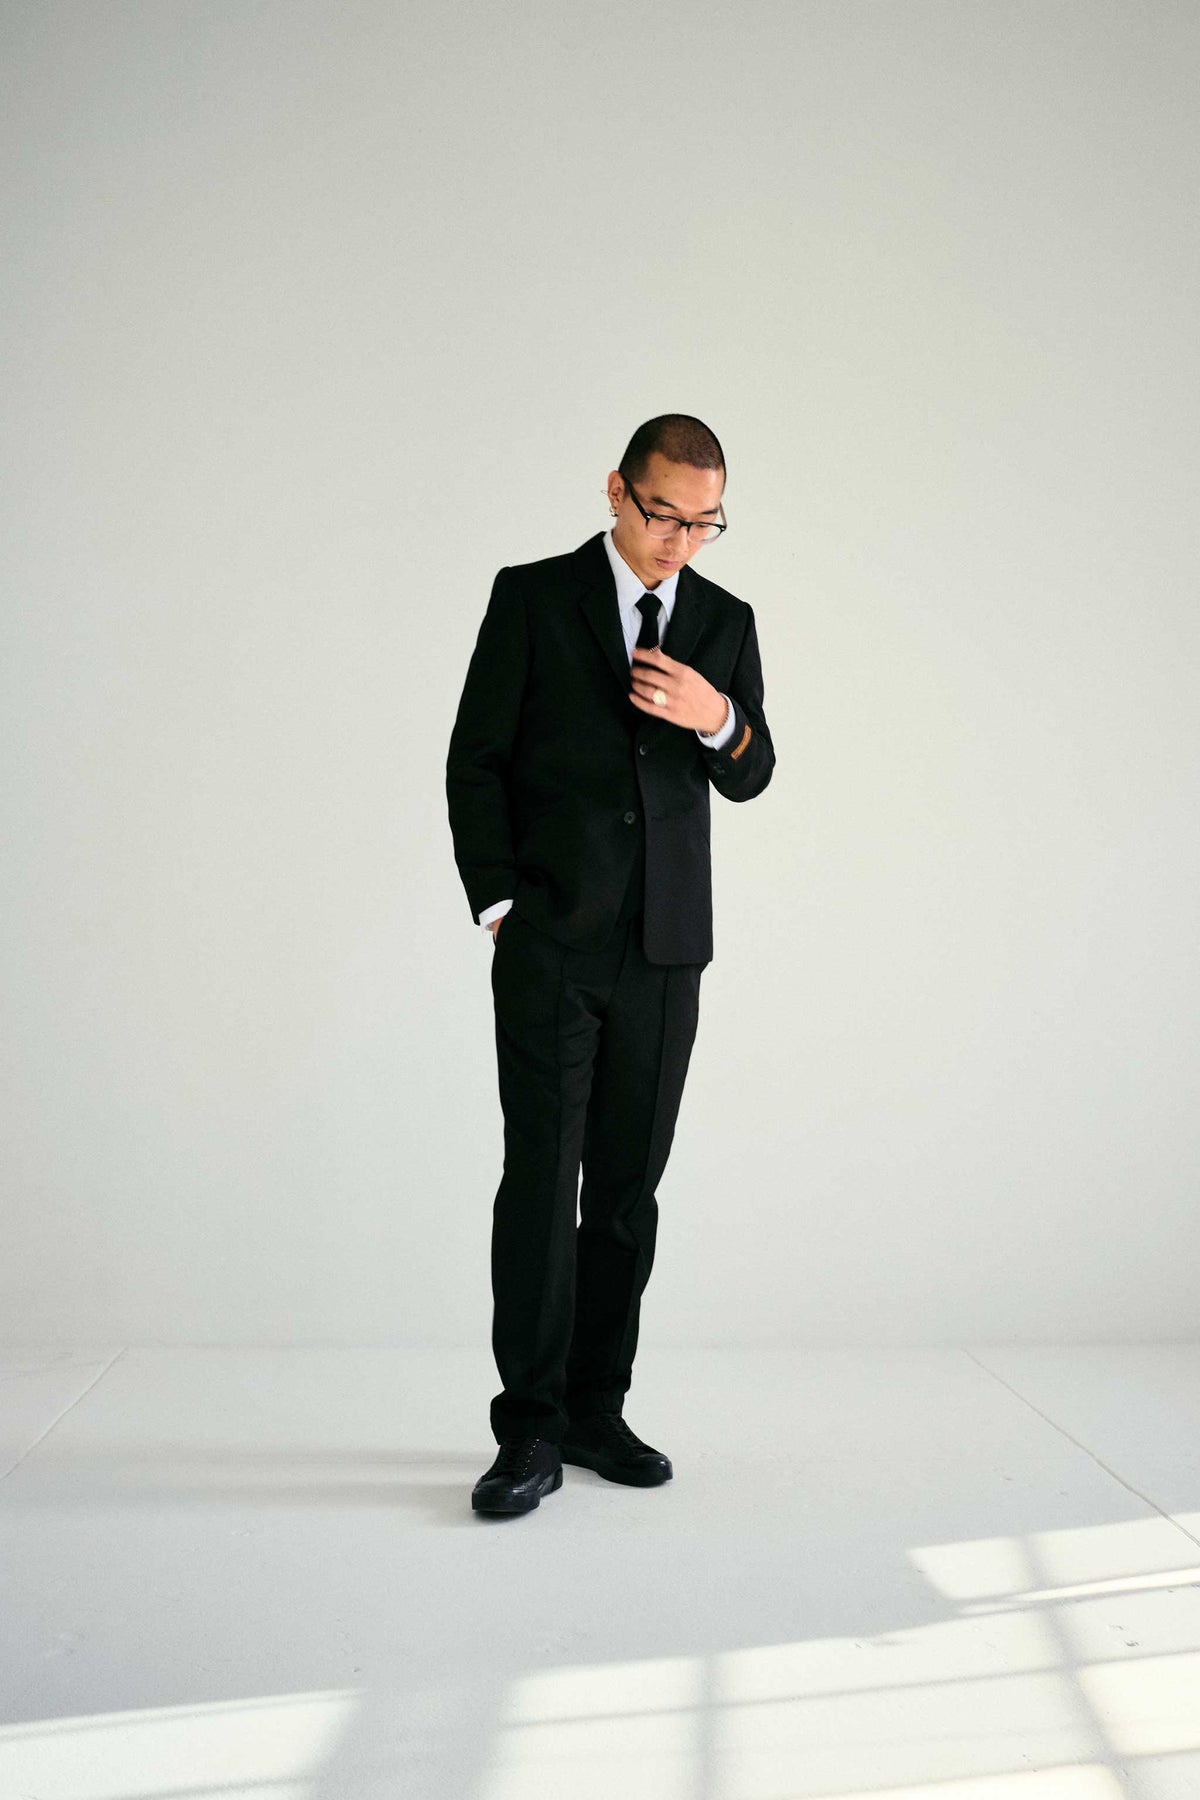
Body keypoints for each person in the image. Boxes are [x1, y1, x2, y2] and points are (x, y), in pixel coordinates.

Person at [445, 413, 775, 1516]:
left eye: (705, 522)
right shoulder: (534, 598)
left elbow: (753, 770)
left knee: (628, 1193)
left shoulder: (725, 622)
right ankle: (529, 1430)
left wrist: (715, 714)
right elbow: (475, 759)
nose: (681, 541)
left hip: (666, 952)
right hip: (551, 944)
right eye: (664, 514)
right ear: (617, 491)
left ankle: (597, 1409)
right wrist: (502, 903)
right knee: (544, 1184)